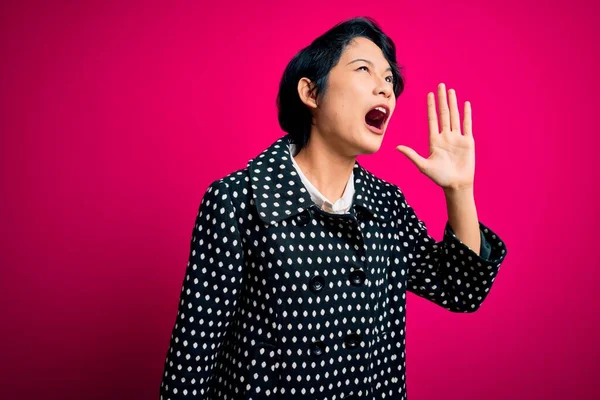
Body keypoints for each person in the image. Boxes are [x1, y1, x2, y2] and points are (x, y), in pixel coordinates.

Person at [159, 16, 507, 400]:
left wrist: (460, 190)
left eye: (390, 80)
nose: (385, 89)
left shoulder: (386, 204)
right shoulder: (238, 200)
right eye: (364, 70)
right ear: (310, 93)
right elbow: (191, 363)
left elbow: (462, 289)